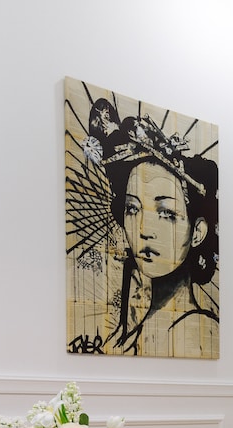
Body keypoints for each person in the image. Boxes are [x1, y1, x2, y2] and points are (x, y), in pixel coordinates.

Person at [86, 99, 220, 354]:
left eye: (166, 213)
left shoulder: (197, 333)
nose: (144, 229)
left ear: (197, 232)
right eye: (132, 209)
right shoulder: (134, 331)